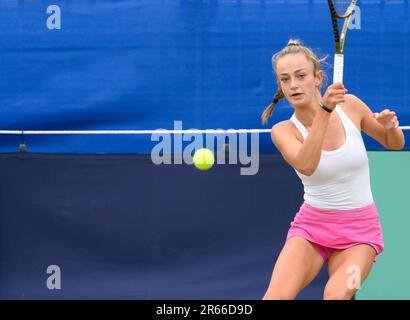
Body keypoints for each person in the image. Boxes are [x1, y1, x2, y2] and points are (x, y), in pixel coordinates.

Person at [261, 39, 405, 300]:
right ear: (280, 86)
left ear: (318, 78)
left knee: (336, 296)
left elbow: (394, 144)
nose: (293, 84)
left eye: (301, 76)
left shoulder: (350, 106)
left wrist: (390, 127)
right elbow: (306, 164)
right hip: (311, 228)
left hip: (361, 234)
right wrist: (325, 109)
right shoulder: (283, 131)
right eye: (285, 79)